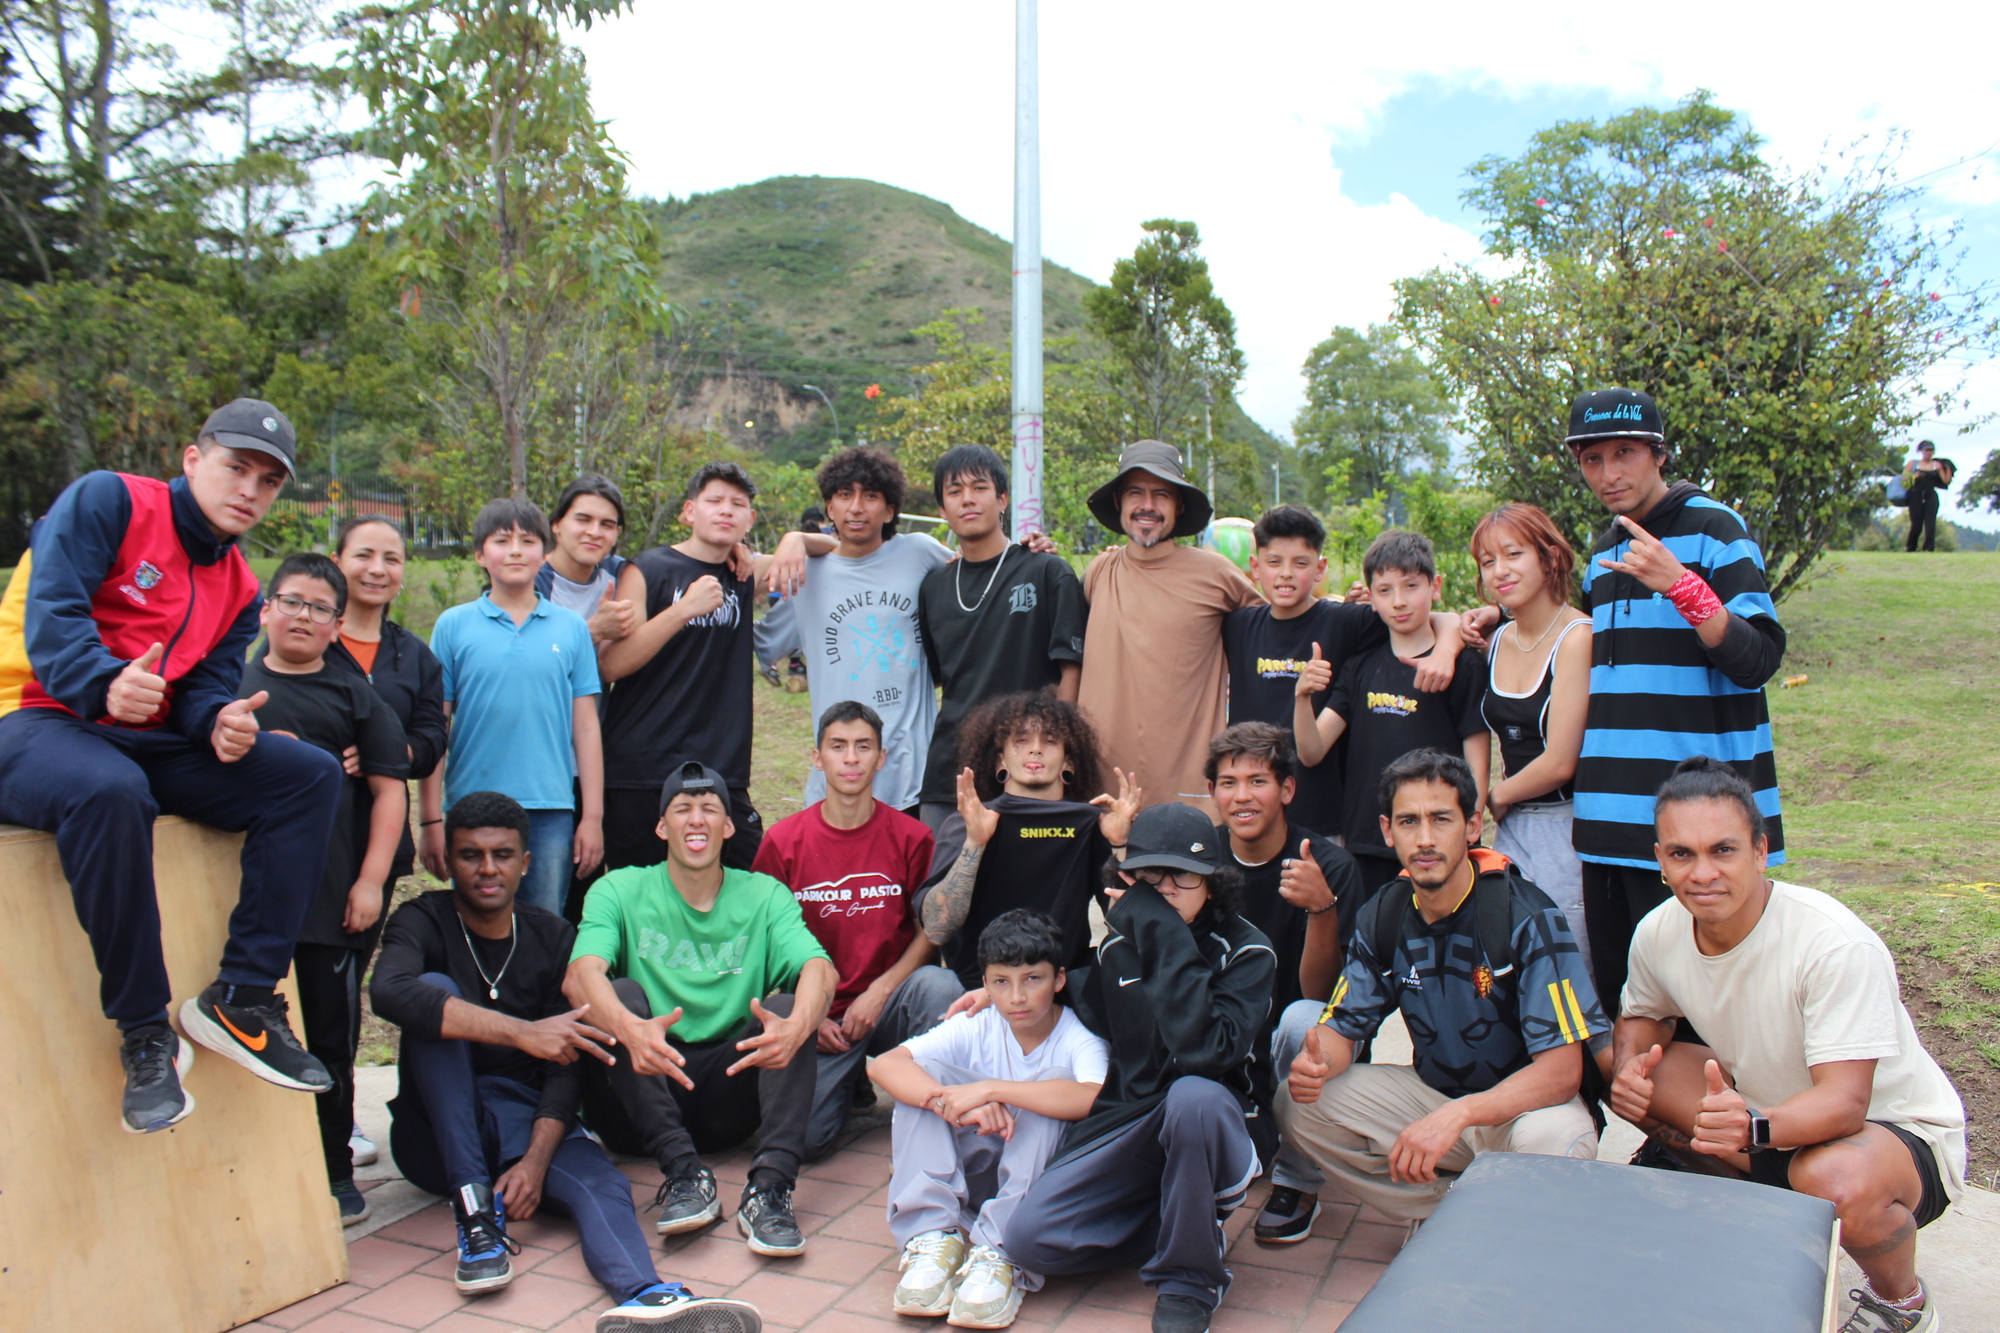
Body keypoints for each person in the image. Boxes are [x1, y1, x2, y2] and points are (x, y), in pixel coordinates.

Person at [0, 398, 342, 1133]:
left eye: (268, 479)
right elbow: (53, 616)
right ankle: (144, 1031)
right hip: (34, 716)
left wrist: (216, 721)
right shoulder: (110, 500)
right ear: (193, 460)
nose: (249, 488)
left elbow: (204, 689)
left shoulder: (243, 585)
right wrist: (102, 682)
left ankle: (243, 998)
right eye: (235, 466)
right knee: (110, 789)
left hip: (144, 738)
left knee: (309, 773)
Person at [370, 792, 763, 1332]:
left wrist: (534, 1162)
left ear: (526, 862)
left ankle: (648, 1298)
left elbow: (566, 1066)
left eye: (503, 855)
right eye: (471, 855)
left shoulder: (552, 936)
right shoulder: (423, 920)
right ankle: (476, 1217)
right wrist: (522, 1033)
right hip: (435, 1134)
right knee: (433, 994)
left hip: (521, 1127)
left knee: (603, 1184)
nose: (488, 869)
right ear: (449, 861)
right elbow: (388, 993)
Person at [1610, 757, 1965, 1333]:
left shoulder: (1832, 943)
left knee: (1832, 1178)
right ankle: (1743, 1211)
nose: (1702, 873)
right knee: (1625, 1068)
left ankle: (1902, 1305)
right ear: (1659, 860)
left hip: (1888, 1138)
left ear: (1760, 850)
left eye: (1722, 850)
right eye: (1682, 854)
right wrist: (1629, 1065)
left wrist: (1749, 1127)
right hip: (1766, 1121)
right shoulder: (1659, 930)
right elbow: (1642, 1017)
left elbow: (1846, 1102)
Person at [1468, 387, 1787, 1014]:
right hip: (1606, 829)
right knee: (1625, 1009)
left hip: (1694, 829)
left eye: (1625, 454)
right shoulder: (1604, 552)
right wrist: (1495, 613)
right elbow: (1585, 641)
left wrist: (1682, 586)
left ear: (1658, 454)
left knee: (1706, 1013)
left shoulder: (1715, 530)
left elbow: (1759, 659)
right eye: (1592, 460)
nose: (1609, 474)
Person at [1278, 750, 1605, 1229]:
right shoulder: (1384, 913)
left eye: (1441, 819)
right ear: (1388, 831)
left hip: (1520, 1109)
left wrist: (1457, 1116)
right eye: (1410, 822)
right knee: (1298, 1103)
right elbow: (1344, 1027)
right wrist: (1316, 1062)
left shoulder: (1526, 915)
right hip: (1434, 1094)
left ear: (1473, 826)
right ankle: (1452, 1216)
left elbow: (1560, 1074)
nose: (1425, 839)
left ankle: (1500, 1229)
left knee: (1561, 1142)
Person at [1000, 802, 1275, 1333]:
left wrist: (1162, 932)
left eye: (1182, 877)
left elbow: (1208, 1053)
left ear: (1212, 883)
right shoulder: (1118, 950)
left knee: (1191, 1094)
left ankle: (1191, 1279)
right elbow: (1072, 1009)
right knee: (1029, 1240)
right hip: (1131, 1122)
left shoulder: (1247, 952)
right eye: (1148, 877)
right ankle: (1184, 1222)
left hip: (1211, 1123)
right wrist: (988, 997)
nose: (1165, 890)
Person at [565, 761, 838, 1257]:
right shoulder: (619, 889)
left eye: (710, 809)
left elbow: (820, 969)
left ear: (729, 827)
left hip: (727, 1093)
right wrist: (629, 1029)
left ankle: (770, 1191)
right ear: (661, 826)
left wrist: (800, 1024)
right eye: (682, 809)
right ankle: (684, 1175)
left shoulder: (763, 895)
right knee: (618, 994)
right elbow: (581, 975)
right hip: (640, 1093)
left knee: (789, 1006)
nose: (696, 819)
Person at [240, 553, 409, 1224]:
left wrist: (371, 880)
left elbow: (389, 791)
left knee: (329, 1039)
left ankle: (336, 1168)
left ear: (338, 624)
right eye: (291, 601)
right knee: (246, 1033)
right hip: (247, 903)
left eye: (318, 607)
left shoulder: (355, 698)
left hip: (330, 900)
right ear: (265, 609)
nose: (303, 616)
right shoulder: (233, 685)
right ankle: (261, 1167)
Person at [872, 910, 1107, 1329]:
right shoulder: (976, 1023)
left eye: (1033, 979)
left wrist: (992, 1089)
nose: (1016, 997)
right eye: (1001, 982)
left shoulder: (1078, 1038)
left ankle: (1001, 1256)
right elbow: (886, 1065)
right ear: (984, 985)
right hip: (979, 1174)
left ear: (1059, 980)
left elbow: (1091, 1097)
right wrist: (945, 1101)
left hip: (1037, 1195)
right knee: (926, 1083)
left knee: (1053, 1089)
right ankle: (932, 1238)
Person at [751, 700, 963, 1159]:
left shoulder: (911, 837)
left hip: (889, 1003)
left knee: (940, 986)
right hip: (821, 1010)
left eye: (863, 747)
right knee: (804, 1141)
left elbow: (931, 929)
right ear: (817, 757)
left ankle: (939, 1114)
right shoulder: (783, 842)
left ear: (881, 757)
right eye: (838, 746)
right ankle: (849, 1085)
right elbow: (763, 943)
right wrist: (812, 1013)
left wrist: (881, 990)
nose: (851, 758)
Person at [600, 463, 829, 874]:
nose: (726, 511)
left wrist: (795, 538)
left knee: (751, 881)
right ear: (690, 511)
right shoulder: (647, 569)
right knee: (643, 902)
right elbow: (611, 664)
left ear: (749, 520)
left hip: (721, 768)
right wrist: (683, 610)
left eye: (737, 504)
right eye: (714, 501)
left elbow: (836, 548)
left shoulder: (742, 573)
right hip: (641, 767)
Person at [1202, 722, 1363, 1245]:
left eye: (1258, 781)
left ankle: (1298, 1182)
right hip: (1227, 1032)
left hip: (1295, 1038)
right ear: (1212, 793)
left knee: (1304, 1020)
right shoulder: (1199, 861)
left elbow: (1325, 994)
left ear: (1287, 790)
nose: (1242, 796)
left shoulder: (1329, 865)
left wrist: (1322, 908)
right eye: (1228, 782)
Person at [1222, 505, 1460, 840]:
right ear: (1255, 567)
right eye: (1274, 562)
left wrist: (1447, 648)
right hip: (1250, 808)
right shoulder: (1237, 626)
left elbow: (1421, 615)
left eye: (1300, 563)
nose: (1286, 573)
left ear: (1320, 569)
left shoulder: (1344, 621)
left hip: (1321, 814)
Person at [756, 446, 955, 814]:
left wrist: (1032, 551)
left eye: (871, 496)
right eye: (845, 495)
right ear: (829, 507)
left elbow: (983, 577)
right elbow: (754, 636)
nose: (857, 507)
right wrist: (792, 538)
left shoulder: (920, 553)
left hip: (915, 782)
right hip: (837, 784)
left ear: (891, 509)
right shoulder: (805, 577)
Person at [429, 498, 603, 915]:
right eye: (501, 540)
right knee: (475, 919)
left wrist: (591, 817)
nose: (515, 551)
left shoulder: (571, 628)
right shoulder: (453, 625)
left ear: (544, 553)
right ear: (479, 554)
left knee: (542, 923)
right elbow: (435, 725)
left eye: (527, 541)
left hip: (550, 807)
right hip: (469, 805)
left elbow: (586, 729)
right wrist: (430, 819)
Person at [1293, 531, 1489, 898]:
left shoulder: (1462, 665)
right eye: (1385, 590)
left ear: (1436, 587)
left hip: (1436, 845)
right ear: (1371, 597)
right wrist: (1302, 698)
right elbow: (1311, 750)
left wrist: (1468, 829)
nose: (1399, 602)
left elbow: (1477, 757)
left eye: (1411, 586)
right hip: (1366, 841)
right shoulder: (1359, 665)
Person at [1076, 441, 1260, 812]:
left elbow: (1281, 631)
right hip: (1100, 794)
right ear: (1118, 502)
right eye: (1135, 493)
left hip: (1190, 796)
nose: (1148, 505)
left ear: (1179, 506)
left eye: (1161, 494)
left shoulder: (1216, 573)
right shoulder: (1099, 572)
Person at [916, 445, 1086, 833]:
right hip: (950, 773)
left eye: (980, 488)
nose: (968, 500)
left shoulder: (1046, 571)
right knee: (943, 890)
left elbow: (1070, 671)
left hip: (1029, 771)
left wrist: (1052, 753)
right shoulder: (934, 587)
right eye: (954, 491)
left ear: (1003, 498)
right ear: (942, 509)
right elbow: (943, 677)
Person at [918, 692, 1138, 989]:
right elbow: (936, 927)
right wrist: (975, 843)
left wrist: (1119, 844)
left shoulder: (1093, 824)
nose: (1035, 750)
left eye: (1049, 741)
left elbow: (1129, 925)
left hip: (1061, 989)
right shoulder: (969, 821)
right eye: (1021, 740)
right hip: (977, 990)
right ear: (1000, 760)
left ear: (1068, 763)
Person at [1469, 502, 1595, 983]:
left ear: (1548, 558)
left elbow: (1561, 760)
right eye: (1487, 561)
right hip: (1512, 830)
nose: (1500, 571)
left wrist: (1491, 798)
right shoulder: (1498, 638)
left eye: (1513, 554)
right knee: (1509, 969)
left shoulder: (1577, 636)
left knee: (1566, 971)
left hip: (1566, 830)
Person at [536, 473, 636, 647]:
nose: (594, 532)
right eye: (583, 520)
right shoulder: (531, 581)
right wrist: (594, 631)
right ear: (556, 524)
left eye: (606, 525)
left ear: (616, 534)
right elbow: (523, 661)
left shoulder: (623, 574)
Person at [1900, 440, 1956, 553]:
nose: (1929, 452)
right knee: (1916, 524)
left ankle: (1929, 548)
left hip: (1930, 495)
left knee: (1930, 523)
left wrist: (1949, 469)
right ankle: (1911, 547)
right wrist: (1914, 476)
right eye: (1927, 450)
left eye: (1931, 450)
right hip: (1915, 495)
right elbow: (1904, 479)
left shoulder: (1937, 465)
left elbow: (1945, 481)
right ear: (1921, 451)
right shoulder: (1913, 464)